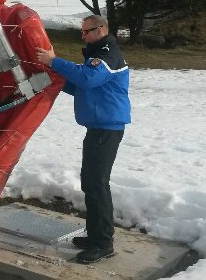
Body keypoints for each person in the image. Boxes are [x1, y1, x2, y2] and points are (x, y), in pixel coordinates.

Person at [35, 15, 131, 264]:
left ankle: (102, 243)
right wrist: (54, 73)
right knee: (90, 183)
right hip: (98, 128)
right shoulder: (96, 54)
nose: (83, 36)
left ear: (100, 29)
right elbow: (81, 86)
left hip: (106, 129)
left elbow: (89, 78)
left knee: (97, 184)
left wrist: (55, 61)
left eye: (86, 31)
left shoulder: (108, 53)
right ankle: (95, 235)